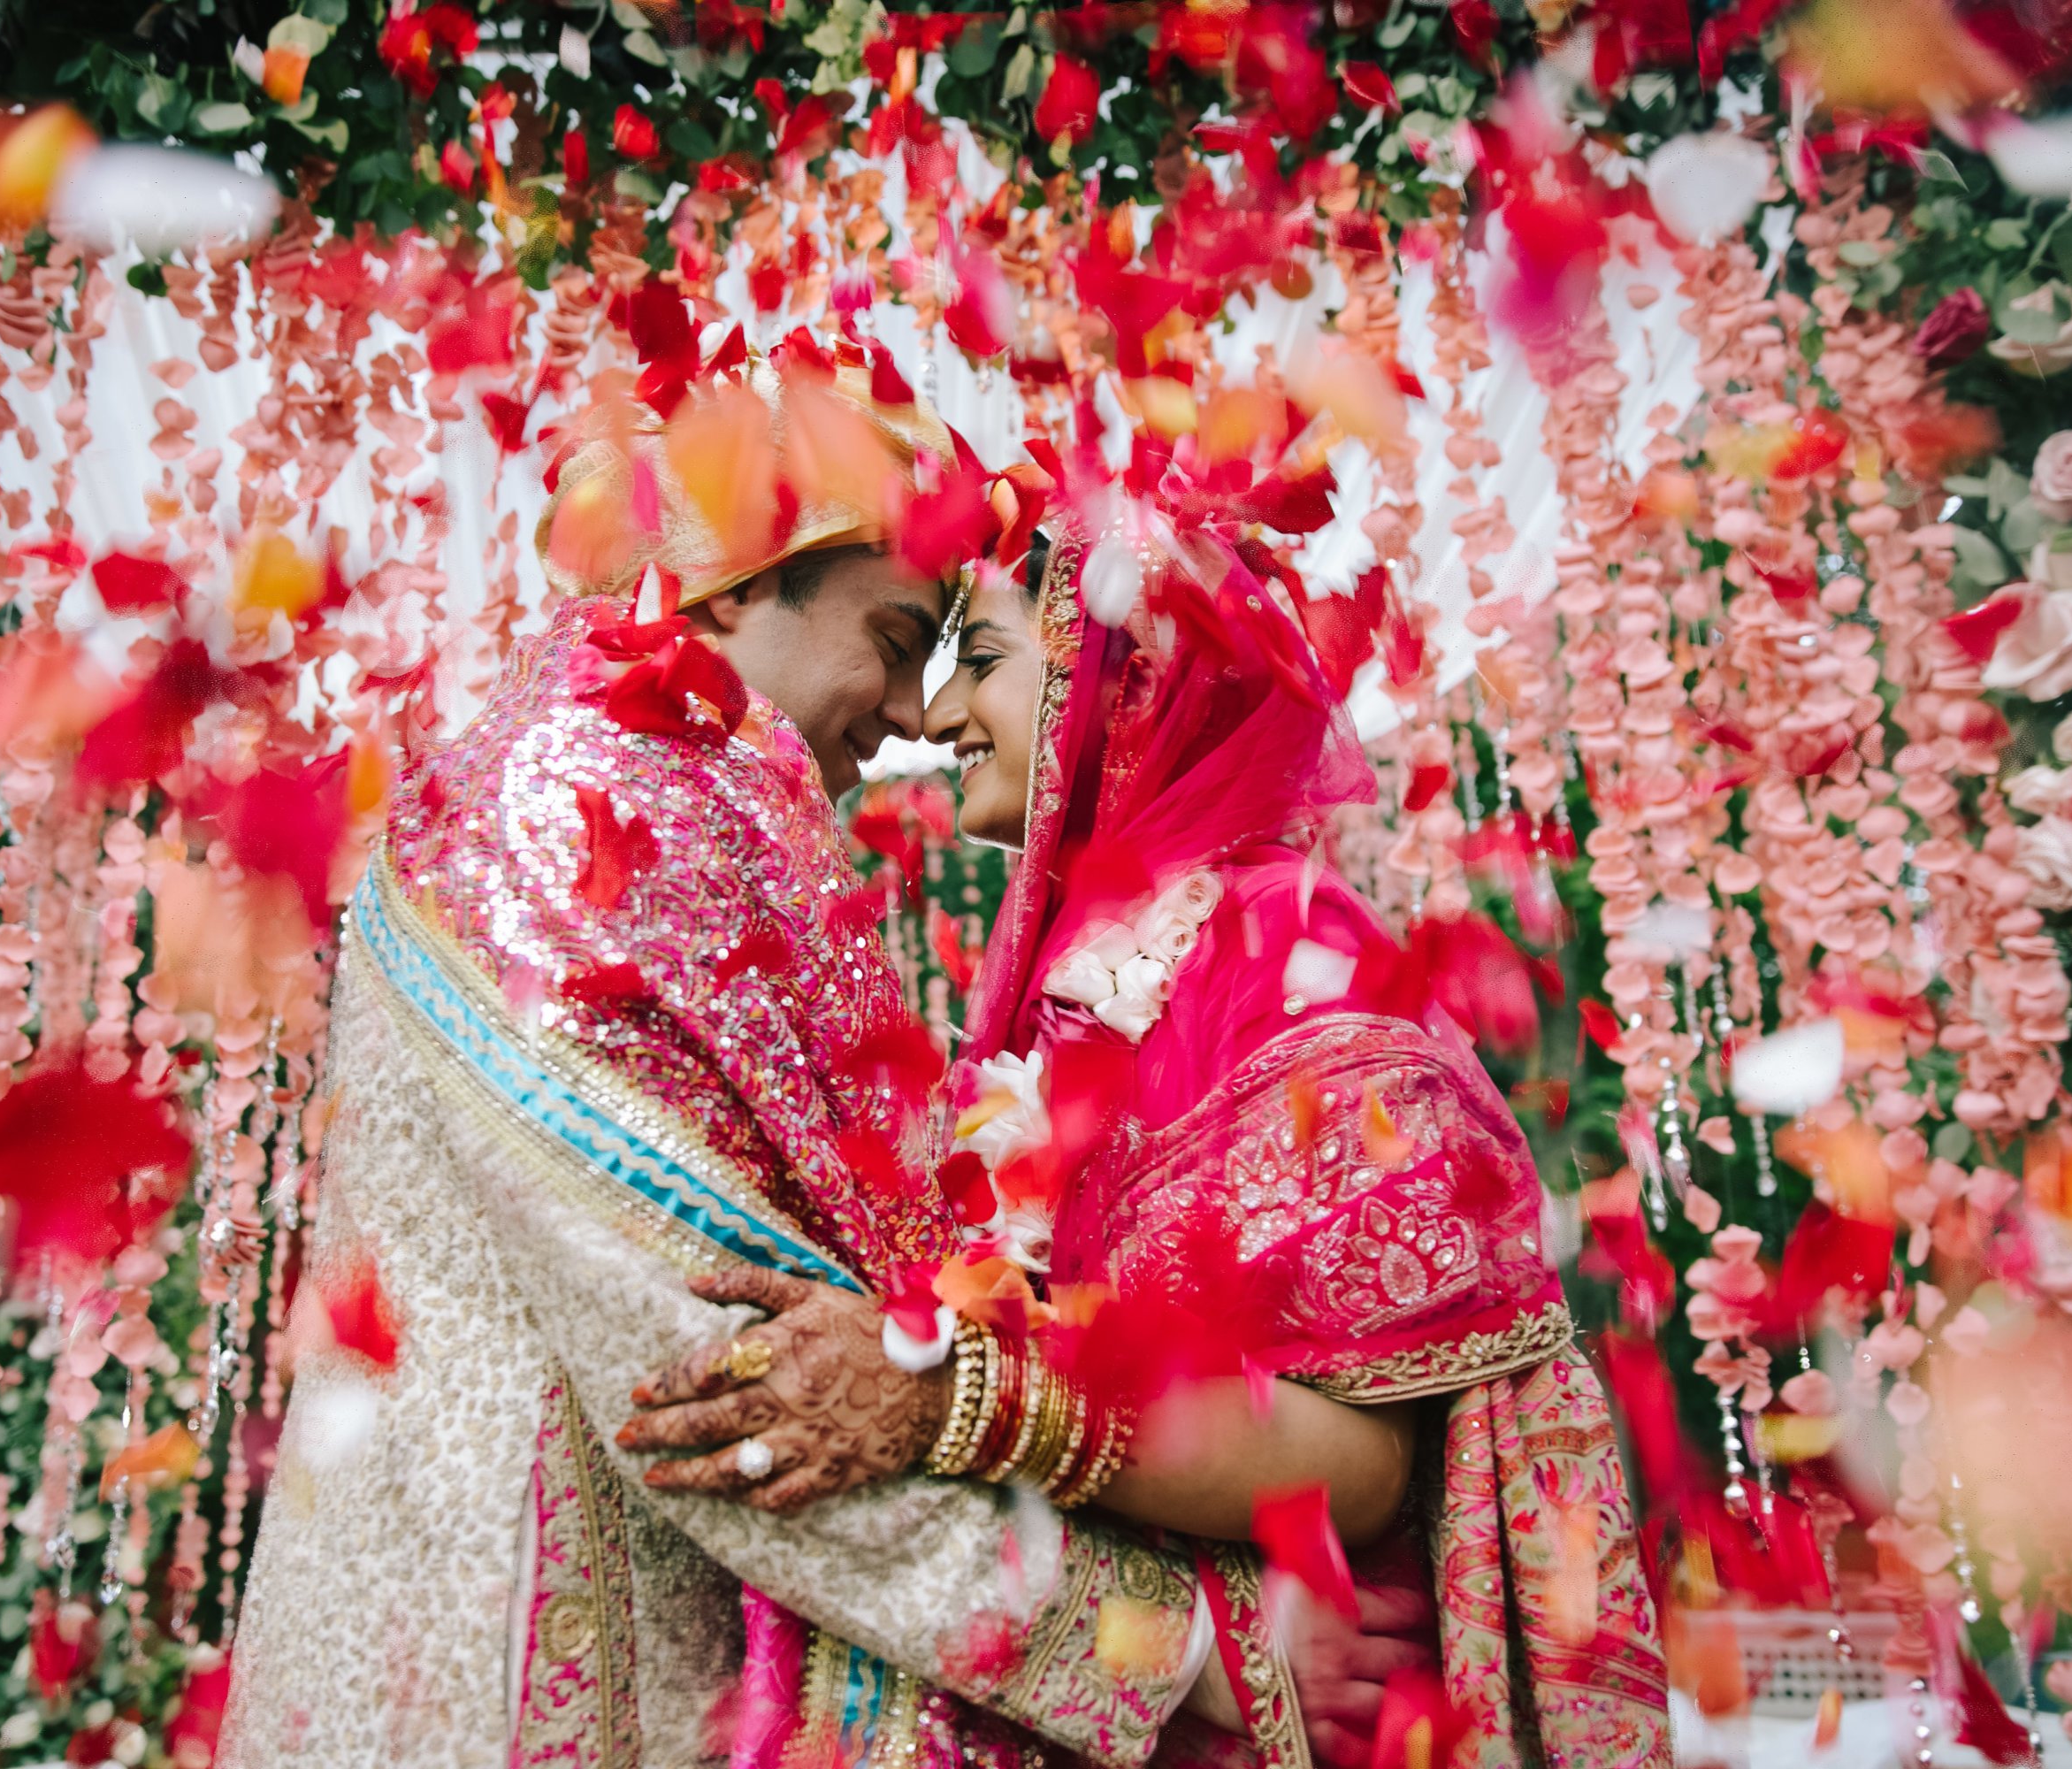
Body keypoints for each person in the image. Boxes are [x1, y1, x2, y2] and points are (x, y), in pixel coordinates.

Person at [223, 345, 1404, 1769]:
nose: (915, 719)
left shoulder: (658, 799)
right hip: (522, 1688)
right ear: (732, 586)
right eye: (902, 644)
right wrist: (1169, 1647)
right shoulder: (564, 813)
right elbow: (713, 1387)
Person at [624, 519, 1674, 1769]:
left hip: (1291, 1709)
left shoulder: (1282, 958)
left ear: (1124, 681)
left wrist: (965, 1390)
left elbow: (1370, 1463)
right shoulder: (1072, 993)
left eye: (983, 659)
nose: (938, 709)